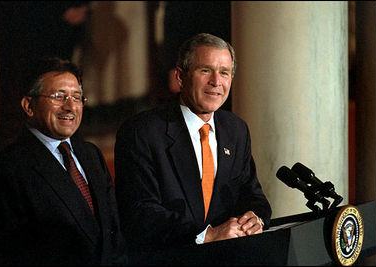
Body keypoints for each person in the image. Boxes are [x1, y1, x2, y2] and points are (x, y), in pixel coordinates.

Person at [114, 33, 272, 254]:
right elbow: (140, 211)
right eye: (205, 70)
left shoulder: (236, 130)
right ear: (181, 76)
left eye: (224, 73)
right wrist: (205, 236)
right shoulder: (143, 131)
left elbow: (252, 195)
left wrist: (255, 218)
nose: (216, 82)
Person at [0, 57, 128, 266]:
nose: (70, 106)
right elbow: (11, 255)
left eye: (77, 97)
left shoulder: (91, 155)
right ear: (29, 106)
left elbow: (114, 233)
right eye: (59, 96)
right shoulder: (5, 169)